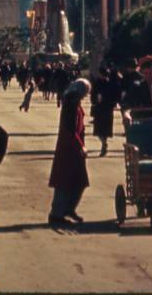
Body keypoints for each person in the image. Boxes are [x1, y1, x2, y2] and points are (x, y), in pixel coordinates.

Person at [48, 78, 91, 226]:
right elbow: (71, 129)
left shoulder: (72, 101)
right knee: (65, 182)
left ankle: (68, 209)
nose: (86, 96)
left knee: (77, 181)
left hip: (72, 147)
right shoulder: (71, 104)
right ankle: (57, 214)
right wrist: (80, 146)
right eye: (85, 92)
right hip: (69, 148)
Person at [90, 66, 116, 156]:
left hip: (103, 108)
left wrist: (94, 101)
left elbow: (93, 95)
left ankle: (103, 144)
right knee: (102, 129)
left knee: (101, 129)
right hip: (104, 108)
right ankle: (103, 143)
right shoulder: (106, 83)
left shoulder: (102, 83)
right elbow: (93, 94)